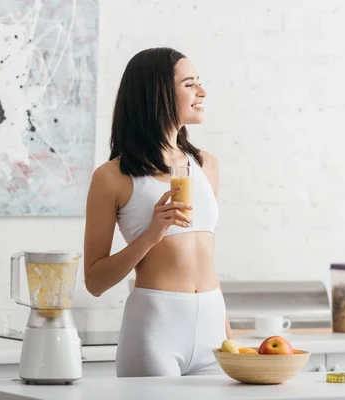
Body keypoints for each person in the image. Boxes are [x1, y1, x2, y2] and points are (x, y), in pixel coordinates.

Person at [83, 47, 231, 377]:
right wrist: (152, 234)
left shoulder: (207, 166)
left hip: (213, 335)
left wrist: (232, 341)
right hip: (155, 336)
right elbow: (94, 281)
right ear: (158, 93)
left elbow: (206, 262)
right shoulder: (112, 177)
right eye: (190, 84)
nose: (202, 92)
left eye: (199, 83)